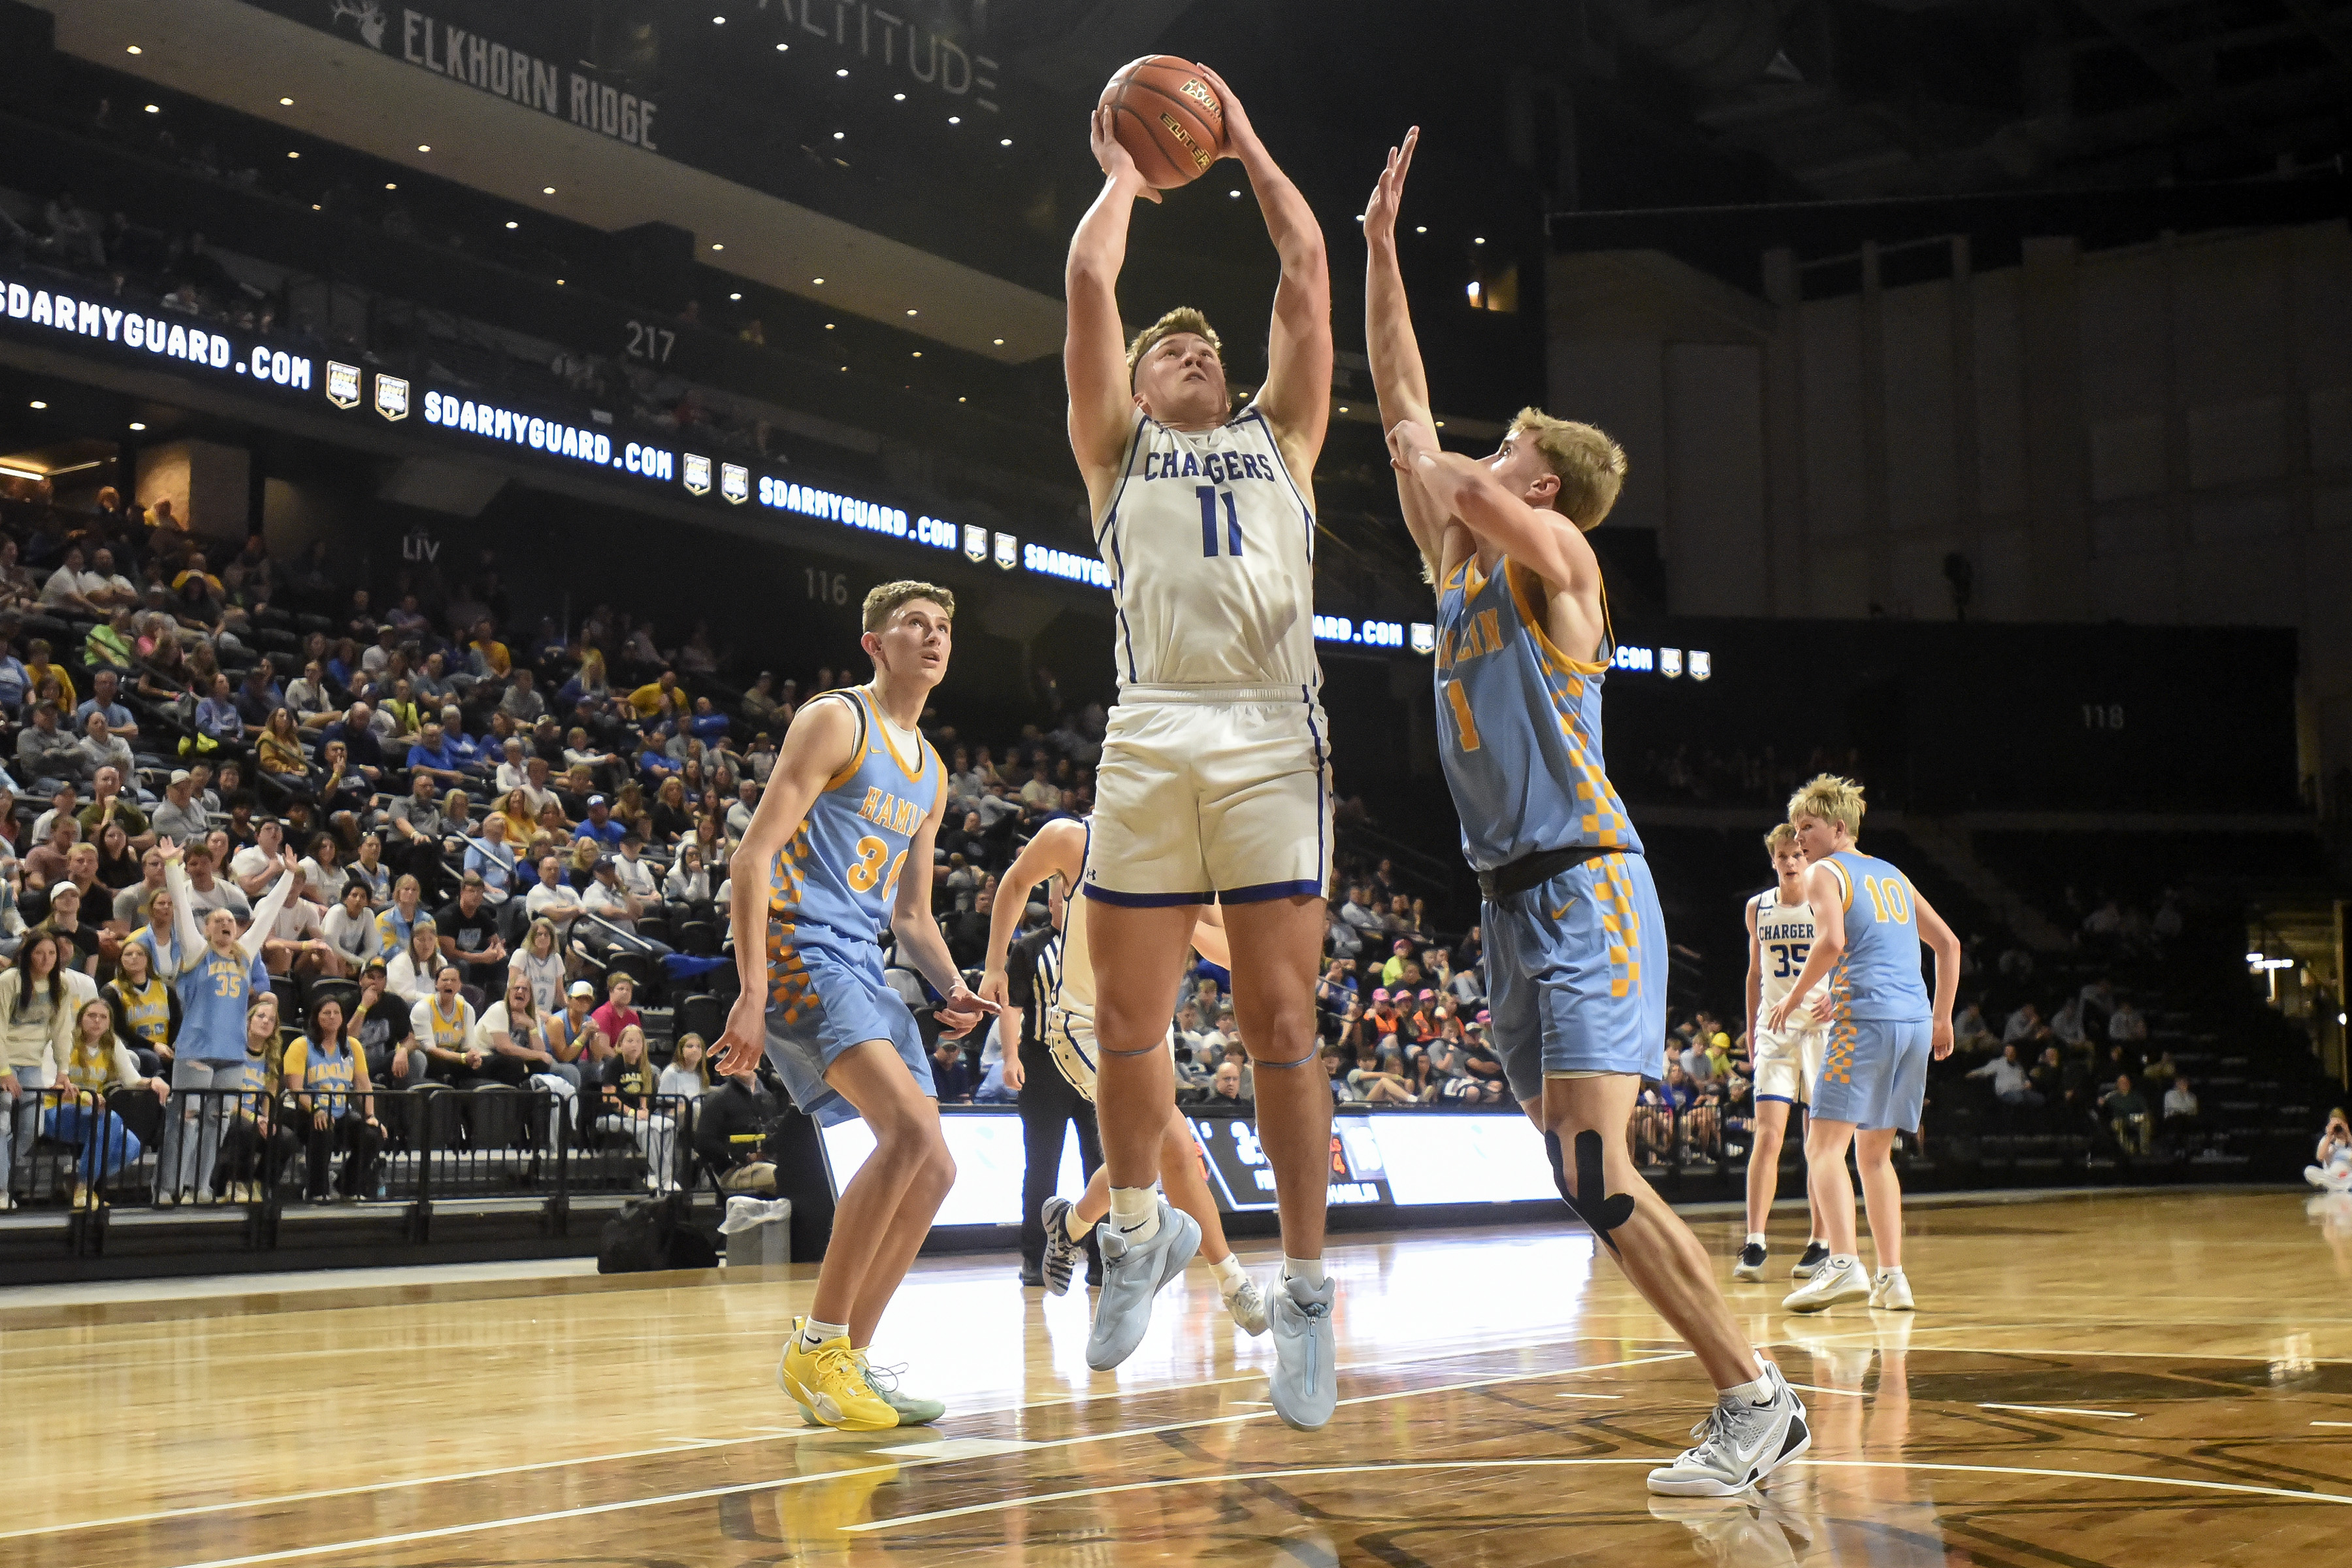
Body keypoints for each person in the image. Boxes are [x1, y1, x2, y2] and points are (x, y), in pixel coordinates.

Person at [1364, 126, 1806, 1494]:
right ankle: (1752, 1397)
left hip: (1584, 887)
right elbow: (1401, 407)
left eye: (1507, 451)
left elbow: (1433, 457)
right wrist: (1379, 253)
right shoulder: (1462, 572)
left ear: (1542, 482)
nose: (1479, 457)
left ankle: (1757, 1397)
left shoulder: (1562, 566)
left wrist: (1435, 455)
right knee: (1577, 1178)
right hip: (1506, 905)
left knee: (1600, 1170)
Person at [1062, 67, 1337, 1427]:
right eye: (1171, 352)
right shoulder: (1113, 451)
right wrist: (1127, 171)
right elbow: (1088, 292)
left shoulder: (1280, 438)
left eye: (1207, 352)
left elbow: (1305, 266)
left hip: (1272, 729)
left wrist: (1241, 138)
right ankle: (1137, 1234)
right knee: (1127, 1018)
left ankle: (1301, 1289)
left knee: (1281, 1019)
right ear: (1131, 383)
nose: (1195, 357)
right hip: (1151, 722)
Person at [713, 581, 991, 1434]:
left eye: (944, 625)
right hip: (800, 948)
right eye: (915, 624)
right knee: (908, 1133)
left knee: (936, 1165)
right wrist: (752, 991)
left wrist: (952, 985)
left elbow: (910, 913)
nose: (934, 637)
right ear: (875, 643)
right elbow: (751, 859)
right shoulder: (836, 719)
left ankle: (848, 1365)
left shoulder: (933, 770)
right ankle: (820, 1345)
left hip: (864, 964)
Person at [983, 815, 1269, 1332]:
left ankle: (1069, 1225)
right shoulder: (1075, 838)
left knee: (1147, 1156)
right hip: (1084, 1027)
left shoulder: (1182, 858)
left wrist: (1190, 914)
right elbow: (1016, 881)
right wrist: (995, 965)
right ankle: (1232, 1283)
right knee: (1173, 1148)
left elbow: (1231, 949)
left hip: (1148, 1032)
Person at [1767, 775, 1961, 1316]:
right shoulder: (1893, 873)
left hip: (1867, 1020)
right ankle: (1893, 1278)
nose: (1800, 838)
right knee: (1875, 1156)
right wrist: (1943, 1018)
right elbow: (1948, 944)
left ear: (1839, 827)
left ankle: (1843, 1264)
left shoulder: (1827, 871)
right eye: (1797, 828)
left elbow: (1832, 942)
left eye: (1808, 827)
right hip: (1914, 1023)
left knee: (1822, 1147)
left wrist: (1796, 997)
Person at [155, 838, 297, 1204]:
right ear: (207, 930)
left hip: (232, 1054)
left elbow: (265, 916)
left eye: (230, 921)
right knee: (186, 1123)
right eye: (218, 921)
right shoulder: (195, 952)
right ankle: (171, 1187)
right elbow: (184, 913)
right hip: (196, 1050)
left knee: (216, 1128)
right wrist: (173, 867)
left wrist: (287, 876)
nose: (225, 924)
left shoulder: (244, 956)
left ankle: (201, 1187)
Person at [1736, 825, 1829, 1284]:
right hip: (1775, 1030)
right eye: (1782, 855)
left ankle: (1821, 1241)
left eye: (1797, 854)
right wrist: (1751, 1029)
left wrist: (1843, 994)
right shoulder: (1758, 908)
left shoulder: (1825, 901)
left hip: (1821, 1031)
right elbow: (1754, 973)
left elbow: (1848, 957)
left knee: (1819, 1144)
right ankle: (1755, 1240)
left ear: (1807, 857)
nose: (1791, 862)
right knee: (1768, 1137)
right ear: (1772, 860)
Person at [50, 996, 170, 1207]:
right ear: (81, 1019)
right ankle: (84, 1188)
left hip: (95, 1115)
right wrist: (86, 1097)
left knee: (132, 1146)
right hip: (56, 1111)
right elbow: (53, 1085)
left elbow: (132, 1080)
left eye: (103, 1017)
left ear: (109, 1023)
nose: (97, 1021)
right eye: (91, 1015)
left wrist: (154, 1081)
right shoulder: (65, 1041)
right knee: (110, 1119)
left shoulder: (112, 1044)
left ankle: (78, 1181)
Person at [0, 932, 78, 1208]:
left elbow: (61, 1031)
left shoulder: (62, 985)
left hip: (32, 1063)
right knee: (1, 1124)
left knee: (34, 1127)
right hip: (5, 1062)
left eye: (52, 954)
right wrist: (4, 1071)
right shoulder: (9, 981)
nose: (46, 959)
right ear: (26, 954)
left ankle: (3, 1178)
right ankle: (1, 1192)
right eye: (39, 953)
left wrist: (63, 1071)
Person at [284, 996, 382, 1201]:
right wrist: (316, 1110)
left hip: (340, 1111)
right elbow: (295, 1089)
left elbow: (363, 1084)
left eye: (336, 1013)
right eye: (326, 1013)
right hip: (305, 1111)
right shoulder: (301, 1045)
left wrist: (371, 1115)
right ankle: (315, 1191)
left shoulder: (352, 1046)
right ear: (316, 1018)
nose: (332, 1017)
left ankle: (346, 1187)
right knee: (322, 1129)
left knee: (373, 1135)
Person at [598, 1023, 678, 1192]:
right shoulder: (613, 1065)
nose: (635, 1045)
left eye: (639, 1042)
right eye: (630, 1041)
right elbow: (609, 1098)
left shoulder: (645, 1067)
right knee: (645, 1129)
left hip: (636, 1115)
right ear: (620, 1044)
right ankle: (660, 1175)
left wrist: (644, 1109)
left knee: (668, 1126)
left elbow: (645, 1094)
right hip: (611, 1115)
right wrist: (633, 1113)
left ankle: (662, 1176)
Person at [2308, 1109, 2352, 1192]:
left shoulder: (2350, 1140)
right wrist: (2329, 1136)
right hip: (2331, 1177)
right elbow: (2320, 1158)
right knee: (2309, 1171)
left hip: (2348, 1177)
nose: (2337, 1128)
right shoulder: (2326, 1140)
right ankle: (2341, 1187)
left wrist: (2348, 1134)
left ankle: (2340, 1187)